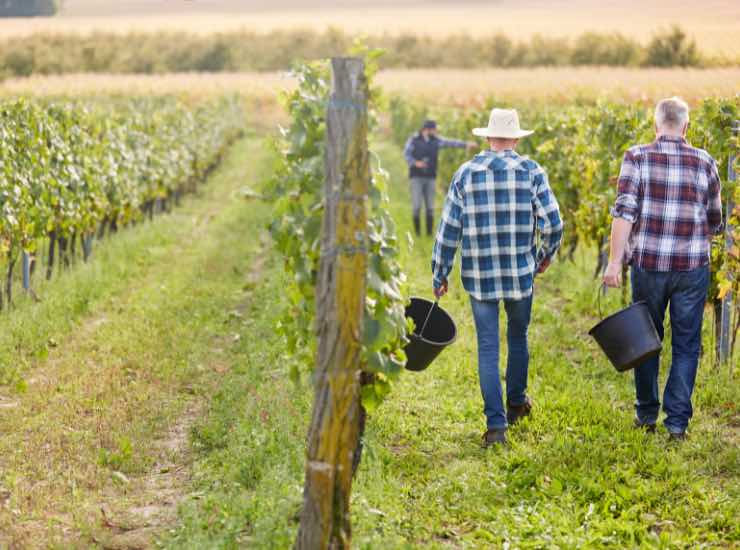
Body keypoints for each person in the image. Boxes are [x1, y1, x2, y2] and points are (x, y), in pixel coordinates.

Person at [431, 108, 563, 447]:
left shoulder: (466, 173)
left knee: (488, 347)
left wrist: (440, 272)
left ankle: (496, 427)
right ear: (517, 138)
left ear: (488, 138)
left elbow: (449, 230)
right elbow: (554, 223)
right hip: (521, 274)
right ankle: (516, 403)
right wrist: (544, 256)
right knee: (518, 336)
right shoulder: (532, 172)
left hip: (480, 275)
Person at [603, 97, 723, 441]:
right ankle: (677, 423)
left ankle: (646, 414)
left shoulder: (636, 156)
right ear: (686, 127)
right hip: (691, 268)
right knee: (686, 344)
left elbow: (624, 211)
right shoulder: (705, 162)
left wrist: (614, 262)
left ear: (656, 126)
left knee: (646, 339)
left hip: (649, 265)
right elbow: (715, 217)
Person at [404, 120, 476, 236]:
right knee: (416, 206)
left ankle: (428, 234)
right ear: (427, 129)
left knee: (430, 208)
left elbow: (451, 143)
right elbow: (406, 154)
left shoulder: (436, 141)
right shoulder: (413, 139)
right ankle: (417, 234)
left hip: (431, 177)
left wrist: (466, 144)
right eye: (434, 129)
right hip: (416, 177)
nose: (436, 131)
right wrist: (415, 163)